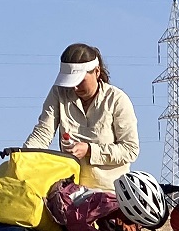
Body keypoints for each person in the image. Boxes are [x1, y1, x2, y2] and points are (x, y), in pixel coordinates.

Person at [22, 42, 141, 190]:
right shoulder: (59, 93)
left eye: (79, 81)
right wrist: (23, 160)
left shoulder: (117, 100)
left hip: (109, 193)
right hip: (70, 191)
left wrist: (90, 150)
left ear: (96, 72)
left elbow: (130, 150)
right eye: (69, 83)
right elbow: (42, 134)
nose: (75, 88)